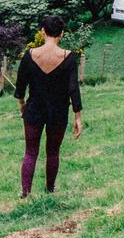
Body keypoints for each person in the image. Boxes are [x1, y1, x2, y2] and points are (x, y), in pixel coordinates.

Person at [16, 14, 84, 198]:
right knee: (53, 151)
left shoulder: (30, 55)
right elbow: (73, 89)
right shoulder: (69, 58)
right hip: (58, 112)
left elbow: (20, 85)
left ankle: (25, 193)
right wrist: (78, 116)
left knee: (30, 152)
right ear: (61, 34)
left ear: (42, 31)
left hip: (34, 110)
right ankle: (49, 189)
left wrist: (22, 105)